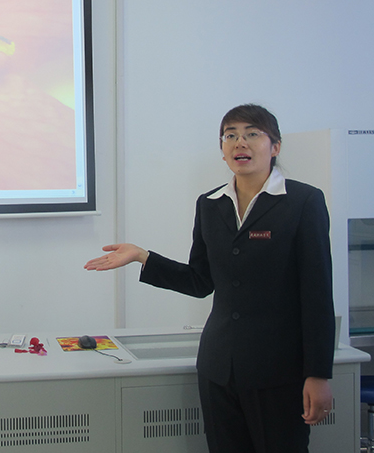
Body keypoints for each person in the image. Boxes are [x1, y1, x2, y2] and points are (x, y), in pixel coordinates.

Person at [85, 104, 335, 453]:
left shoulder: (303, 202)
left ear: (275, 146)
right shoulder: (210, 204)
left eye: (252, 134)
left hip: (279, 370)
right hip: (219, 367)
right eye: (230, 135)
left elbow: (318, 294)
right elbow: (200, 280)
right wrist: (143, 257)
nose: (239, 143)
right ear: (222, 149)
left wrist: (318, 373)